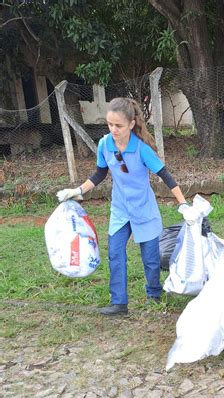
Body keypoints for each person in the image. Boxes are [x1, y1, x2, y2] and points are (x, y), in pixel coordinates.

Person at [56, 97, 188, 316]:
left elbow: (165, 175)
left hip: (143, 209)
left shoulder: (142, 149)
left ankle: (154, 294)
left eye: (118, 125)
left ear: (131, 124)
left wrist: (183, 204)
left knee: (151, 260)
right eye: (110, 124)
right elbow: (100, 173)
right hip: (120, 210)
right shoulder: (104, 145)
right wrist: (78, 191)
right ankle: (119, 303)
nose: (113, 130)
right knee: (115, 254)